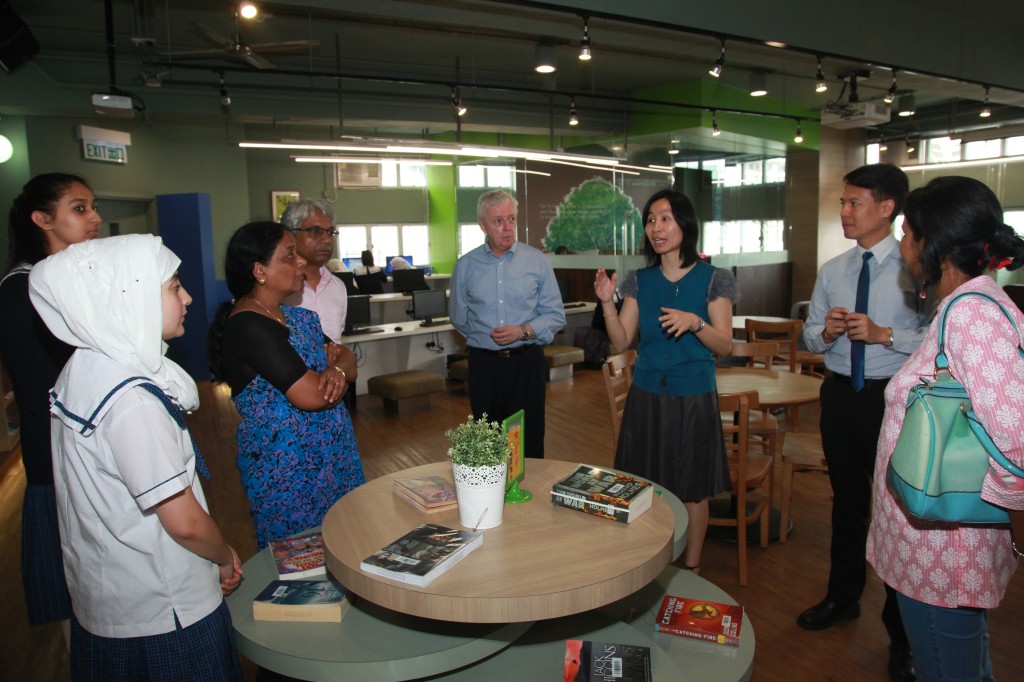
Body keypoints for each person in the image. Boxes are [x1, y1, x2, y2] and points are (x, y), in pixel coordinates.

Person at [28, 234, 244, 681]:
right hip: (164, 612)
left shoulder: (83, 368)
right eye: (173, 287)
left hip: (110, 601)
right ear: (129, 296)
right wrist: (223, 555)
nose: (187, 297)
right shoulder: (133, 402)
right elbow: (184, 522)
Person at [867, 176, 1024, 681]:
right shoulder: (966, 306)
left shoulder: (972, 314)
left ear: (931, 243)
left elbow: (1017, 439)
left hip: (944, 557)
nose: (903, 245)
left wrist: (1017, 527)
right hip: (939, 547)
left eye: (907, 233)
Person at [800, 163, 929, 681]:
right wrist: (828, 333)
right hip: (840, 397)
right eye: (843, 202)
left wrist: (884, 335)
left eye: (855, 202)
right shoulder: (834, 270)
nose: (845, 211)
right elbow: (809, 337)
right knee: (848, 503)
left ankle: (903, 636)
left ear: (887, 207)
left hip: (894, 401)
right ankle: (842, 597)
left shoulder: (918, 268)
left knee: (898, 514)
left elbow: (937, 340)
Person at [594, 189, 736, 572]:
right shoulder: (640, 281)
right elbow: (621, 340)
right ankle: (648, 563)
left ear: (685, 224)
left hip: (693, 397)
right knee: (643, 485)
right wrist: (607, 302)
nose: (656, 227)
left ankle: (691, 567)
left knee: (693, 489)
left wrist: (696, 323)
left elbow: (725, 344)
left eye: (665, 218)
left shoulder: (713, 279)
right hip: (646, 397)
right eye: (651, 220)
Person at [208, 221, 365, 549]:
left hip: (334, 458)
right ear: (259, 271)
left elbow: (349, 360)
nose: (301, 261)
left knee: (348, 542)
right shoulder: (248, 326)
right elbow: (312, 395)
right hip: (289, 471)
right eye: (289, 255)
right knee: (299, 557)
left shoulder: (298, 318)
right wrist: (334, 374)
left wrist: (335, 370)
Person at [0, 173, 99, 646]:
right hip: (62, 462)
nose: (94, 217)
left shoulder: (64, 281)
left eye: (93, 206)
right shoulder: (22, 291)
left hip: (90, 453)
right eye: (79, 208)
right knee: (78, 601)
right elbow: (51, 392)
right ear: (42, 219)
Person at [450, 189, 565, 458]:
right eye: (498, 221)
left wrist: (523, 332)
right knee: (488, 444)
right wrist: (485, 340)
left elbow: (556, 315)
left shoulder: (537, 261)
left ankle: (530, 487)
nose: (507, 227)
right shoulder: (465, 266)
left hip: (526, 364)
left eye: (511, 219)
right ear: (482, 226)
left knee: (528, 441)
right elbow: (459, 317)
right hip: (484, 367)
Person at [280, 198, 348, 343]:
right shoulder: (278, 287)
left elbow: (336, 343)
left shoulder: (337, 286)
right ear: (290, 235)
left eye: (330, 232)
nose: (327, 240)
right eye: (315, 231)